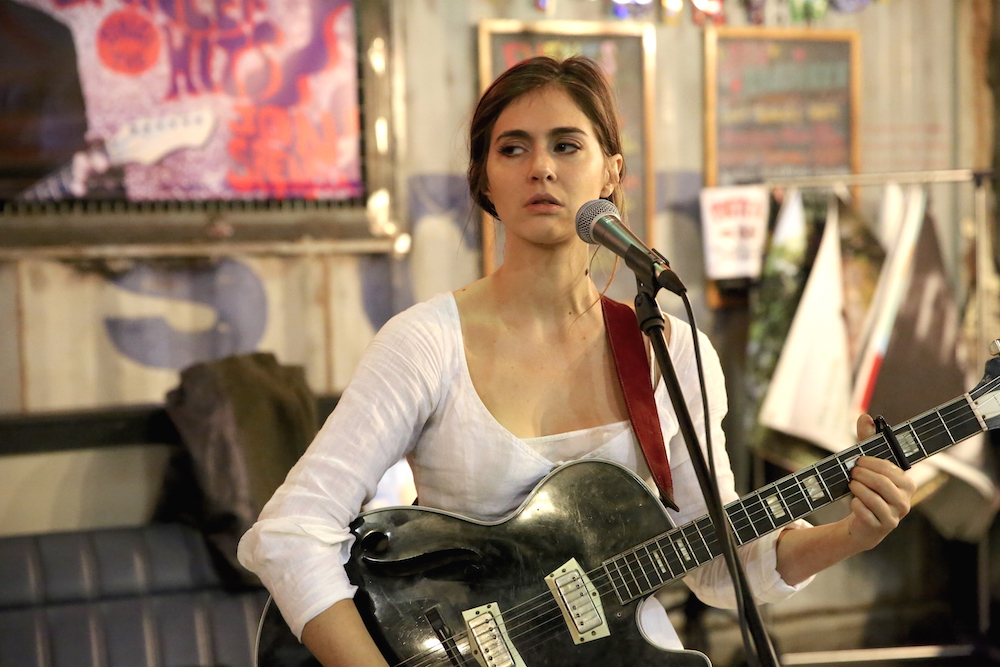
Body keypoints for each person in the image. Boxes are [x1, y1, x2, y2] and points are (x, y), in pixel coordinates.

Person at [237, 55, 916, 667]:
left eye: (567, 145)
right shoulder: (424, 344)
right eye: (513, 149)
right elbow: (292, 532)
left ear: (611, 172)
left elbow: (720, 565)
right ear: (485, 181)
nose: (542, 167)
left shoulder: (668, 348)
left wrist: (851, 533)